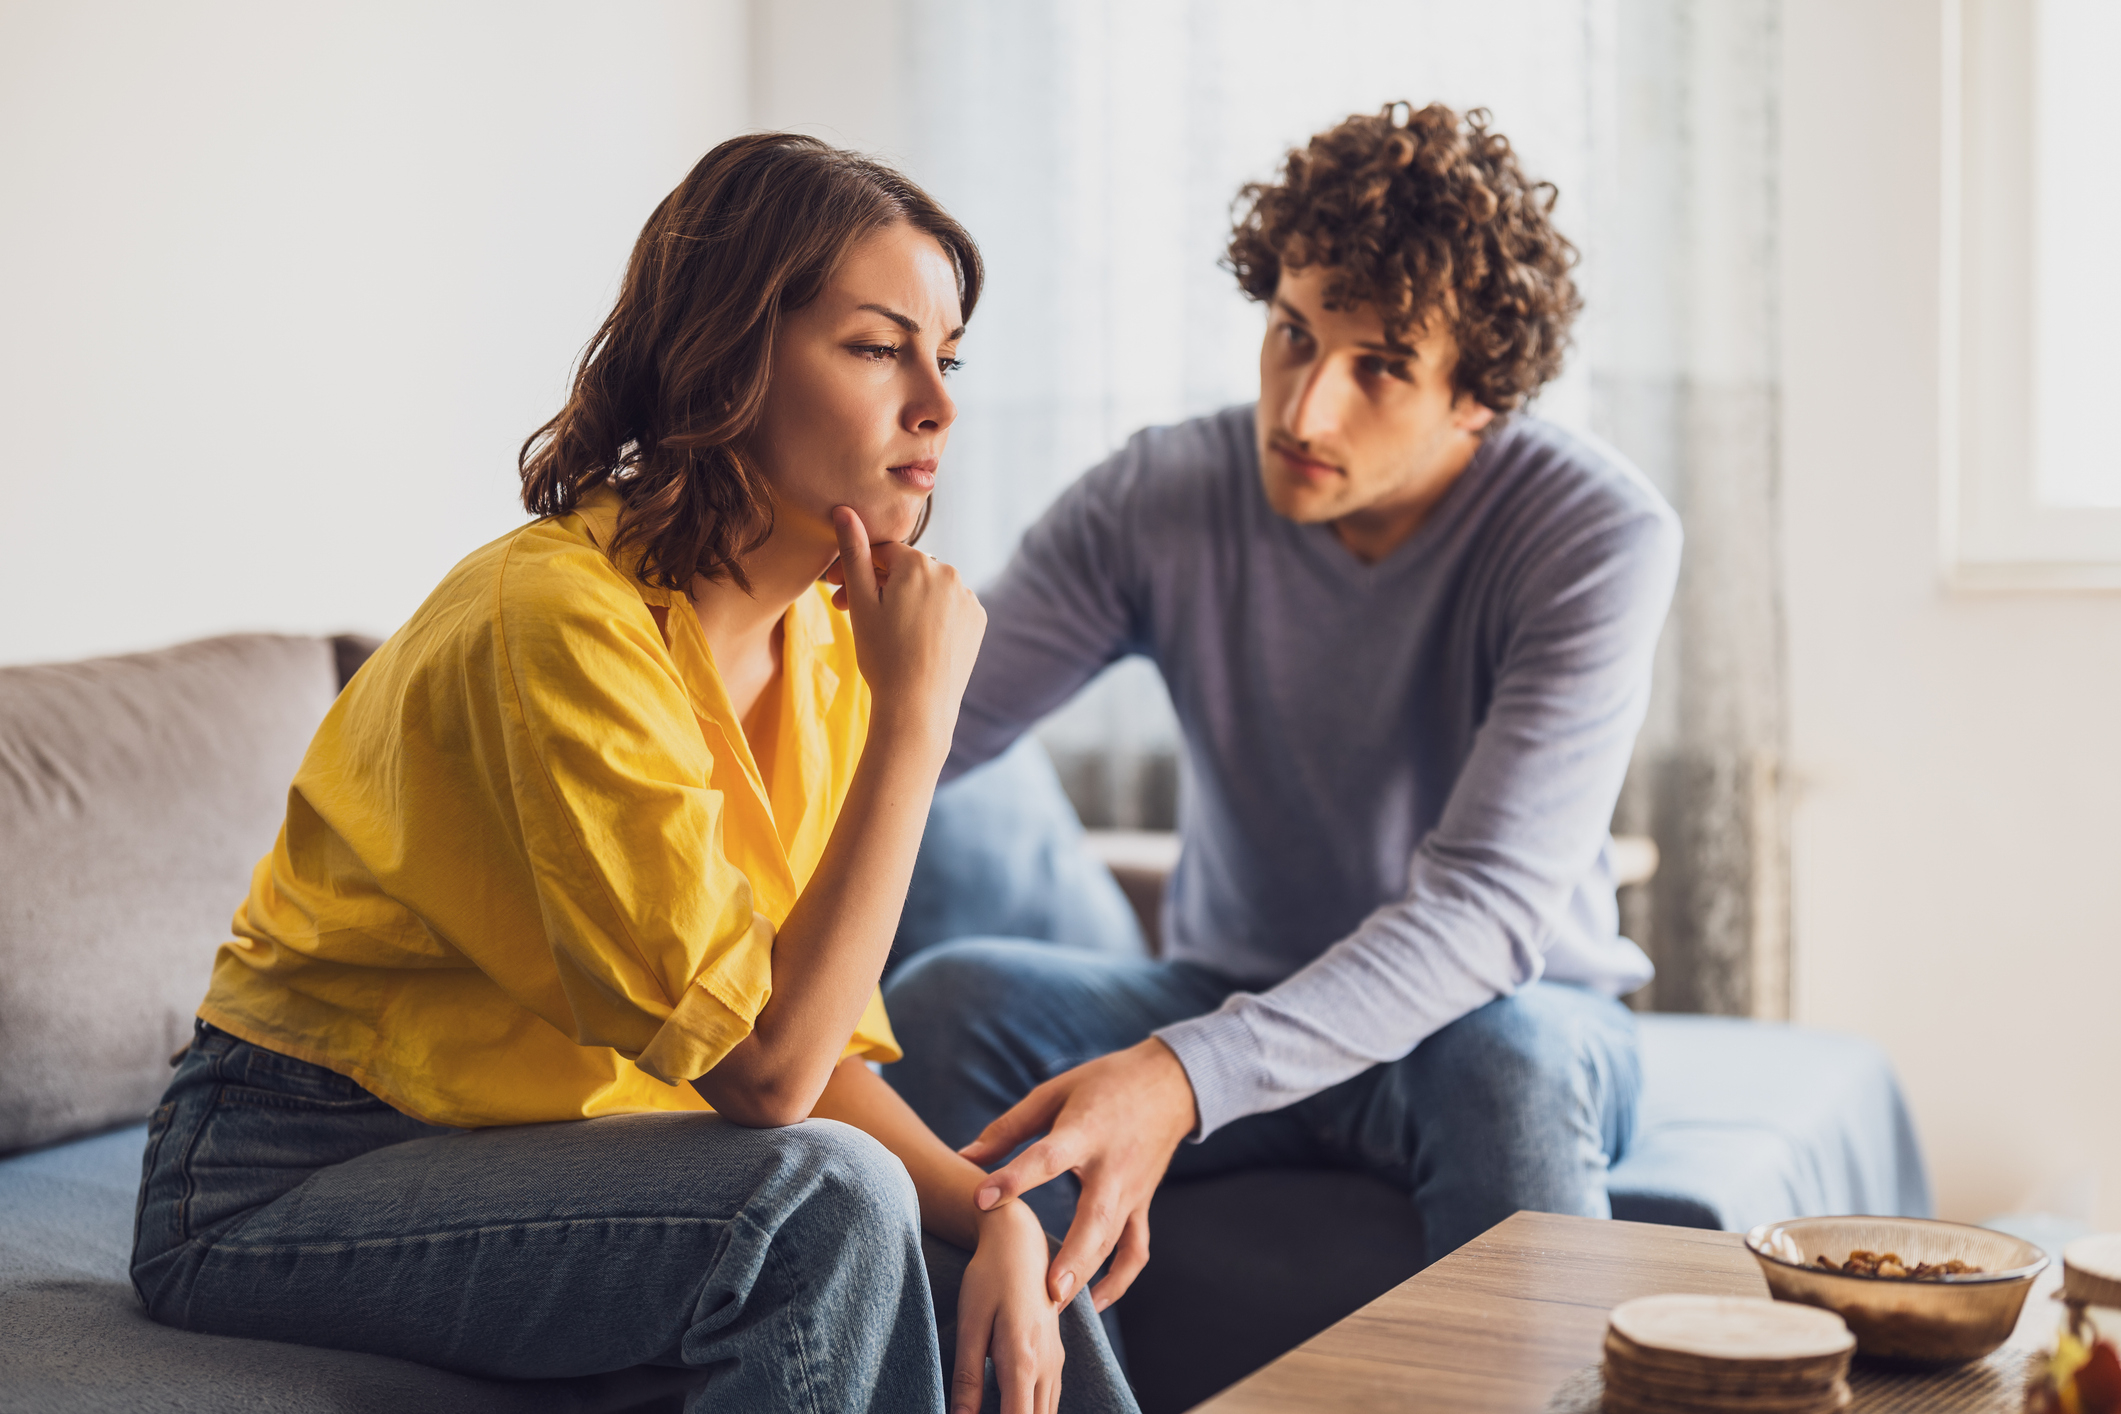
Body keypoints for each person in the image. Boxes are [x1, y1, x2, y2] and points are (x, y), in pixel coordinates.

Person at [129, 132, 1136, 1414]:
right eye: (881, 347)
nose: (935, 400)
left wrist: (995, 1215)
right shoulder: (557, 620)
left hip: (558, 1154)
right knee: (821, 1200)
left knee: (1000, 1252)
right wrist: (917, 722)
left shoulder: (825, 638)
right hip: (283, 1170)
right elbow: (769, 1082)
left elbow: (820, 1057)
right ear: (731, 353)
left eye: (947, 356)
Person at [883, 103, 1685, 1322]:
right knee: (948, 1006)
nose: (1304, 413)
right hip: (1220, 984)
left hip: (1490, 1016)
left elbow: (1483, 915)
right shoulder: (1164, 493)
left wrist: (1179, 1077)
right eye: (1293, 336)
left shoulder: (1595, 534)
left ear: (1480, 396)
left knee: (1505, 1066)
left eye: (1380, 368)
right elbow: (937, 720)